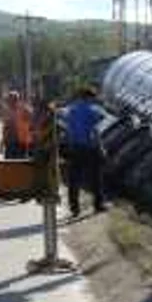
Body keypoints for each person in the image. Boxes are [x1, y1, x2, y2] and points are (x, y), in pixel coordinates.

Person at [64, 86, 106, 217]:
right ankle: (98, 205)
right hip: (90, 147)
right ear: (89, 97)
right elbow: (96, 129)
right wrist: (101, 147)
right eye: (93, 98)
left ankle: (74, 208)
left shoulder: (71, 110)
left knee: (74, 179)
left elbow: (67, 127)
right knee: (96, 177)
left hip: (75, 147)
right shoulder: (93, 110)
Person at [0, 90, 33, 159]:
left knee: (20, 162)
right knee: (9, 163)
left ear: (17, 100)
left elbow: (31, 121)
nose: (10, 102)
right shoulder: (8, 112)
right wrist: (2, 144)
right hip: (10, 142)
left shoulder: (24, 110)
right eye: (9, 100)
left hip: (21, 142)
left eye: (12, 100)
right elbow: (6, 129)